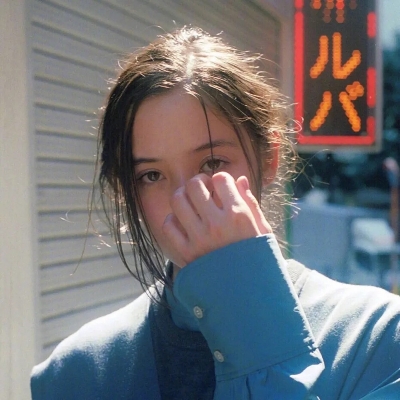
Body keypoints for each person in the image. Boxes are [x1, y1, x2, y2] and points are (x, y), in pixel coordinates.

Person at [31, 27, 400, 399]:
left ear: (269, 158)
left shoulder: (378, 339)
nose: (185, 200)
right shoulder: (74, 374)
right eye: (151, 175)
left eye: (211, 163)